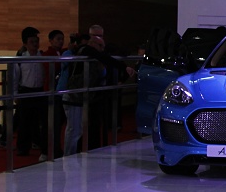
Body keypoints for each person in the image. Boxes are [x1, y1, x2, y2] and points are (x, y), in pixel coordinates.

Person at [63, 29, 136, 155]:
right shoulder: (86, 50)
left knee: (77, 129)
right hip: (73, 95)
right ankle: (68, 155)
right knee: (74, 129)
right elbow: (104, 57)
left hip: (79, 95)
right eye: (100, 46)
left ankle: (71, 154)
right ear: (92, 44)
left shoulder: (93, 56)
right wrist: (124, 67)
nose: (102, 49)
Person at [12, 27, 48, 156]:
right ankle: (23, 147)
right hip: (26, 91)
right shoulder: (20, 58)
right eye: (32, 41)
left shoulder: (43, 56)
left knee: (40, 120)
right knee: (24, 121)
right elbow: (15, 77)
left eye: (36, 41)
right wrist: (15, 94)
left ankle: (38, 142)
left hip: (39, 91)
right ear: (25, 44)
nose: (35, 44)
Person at [40, 29, 66, 158]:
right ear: (51, 40)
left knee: (58, 122)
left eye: (62, 39)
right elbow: (52, 67)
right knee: (50, 123)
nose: (61, 41)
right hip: (50, 91)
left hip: (58, 92)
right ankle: (47, 150)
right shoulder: (47, 54)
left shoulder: (62, 53)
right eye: (58, 39)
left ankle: (55, 148)